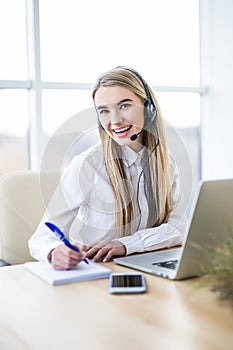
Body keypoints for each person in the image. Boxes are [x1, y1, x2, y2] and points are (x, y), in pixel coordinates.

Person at [28, 66, 187, 270]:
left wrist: (126, 245)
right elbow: (42, 237)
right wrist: (54, 251)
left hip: (150, 268)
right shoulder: (87, 165)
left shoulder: (166, 162)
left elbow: (180, 226)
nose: (115, 121)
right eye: (104, 111)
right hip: (99, 271)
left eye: (124, 106)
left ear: (149, 109)